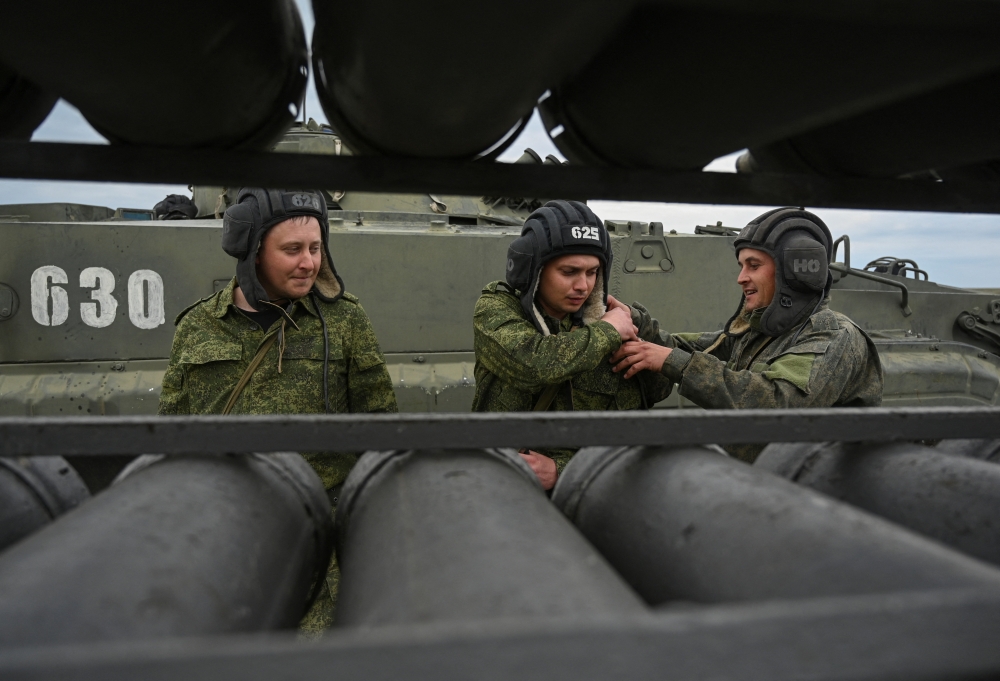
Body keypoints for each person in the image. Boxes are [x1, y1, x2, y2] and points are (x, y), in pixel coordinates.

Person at [158, 187, 397, 630]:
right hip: (224, 536)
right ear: (252, 252)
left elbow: (381, 428)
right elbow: (173, 436)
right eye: (292, 250)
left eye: (315, 247)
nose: (309, 263)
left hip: (319, 545)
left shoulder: (345, 320)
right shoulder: (197, 327)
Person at [609, 207, 883, 462]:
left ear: (793, 272)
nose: (741, 277)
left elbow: (778, 404)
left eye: (753, 265)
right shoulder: (764, 330)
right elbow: (692, 348)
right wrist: (637, 323)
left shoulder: (833, 335)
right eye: (742, 266)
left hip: (813, 492)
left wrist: (673, 362)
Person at [472, 200, 672, 488]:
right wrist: (607, 332)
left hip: (597, 487)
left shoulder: (614, 320)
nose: (583, 286)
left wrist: (644, 334)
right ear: (534, 270)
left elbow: (644, 409)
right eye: (569, 272)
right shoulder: (496, 309)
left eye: (592, 273)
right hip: (509, 487)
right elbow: (534, 364)